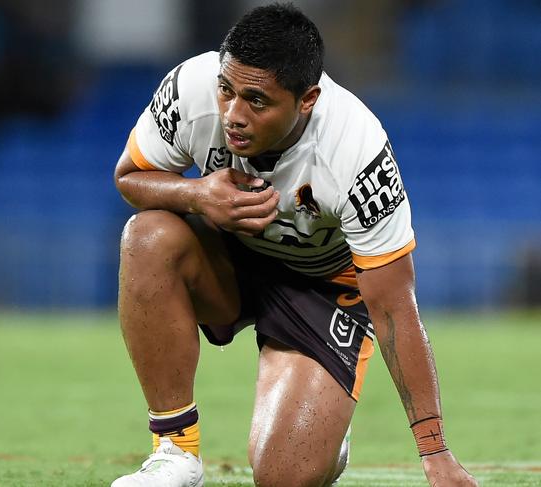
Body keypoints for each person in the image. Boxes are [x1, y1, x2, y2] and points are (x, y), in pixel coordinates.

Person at [111, 3, 478, 487]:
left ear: (307, 100)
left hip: (323, 289)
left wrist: (436, 454)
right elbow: (130, 177)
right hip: (229, 258)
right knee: (148, 235)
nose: (233, 115)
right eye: (227, 91)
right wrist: (196, 193)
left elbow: (393, 307)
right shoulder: (191, 89)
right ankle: (175, 450)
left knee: (283, 476)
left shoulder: (356, 153)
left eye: (257, 101)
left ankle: (326, 426)